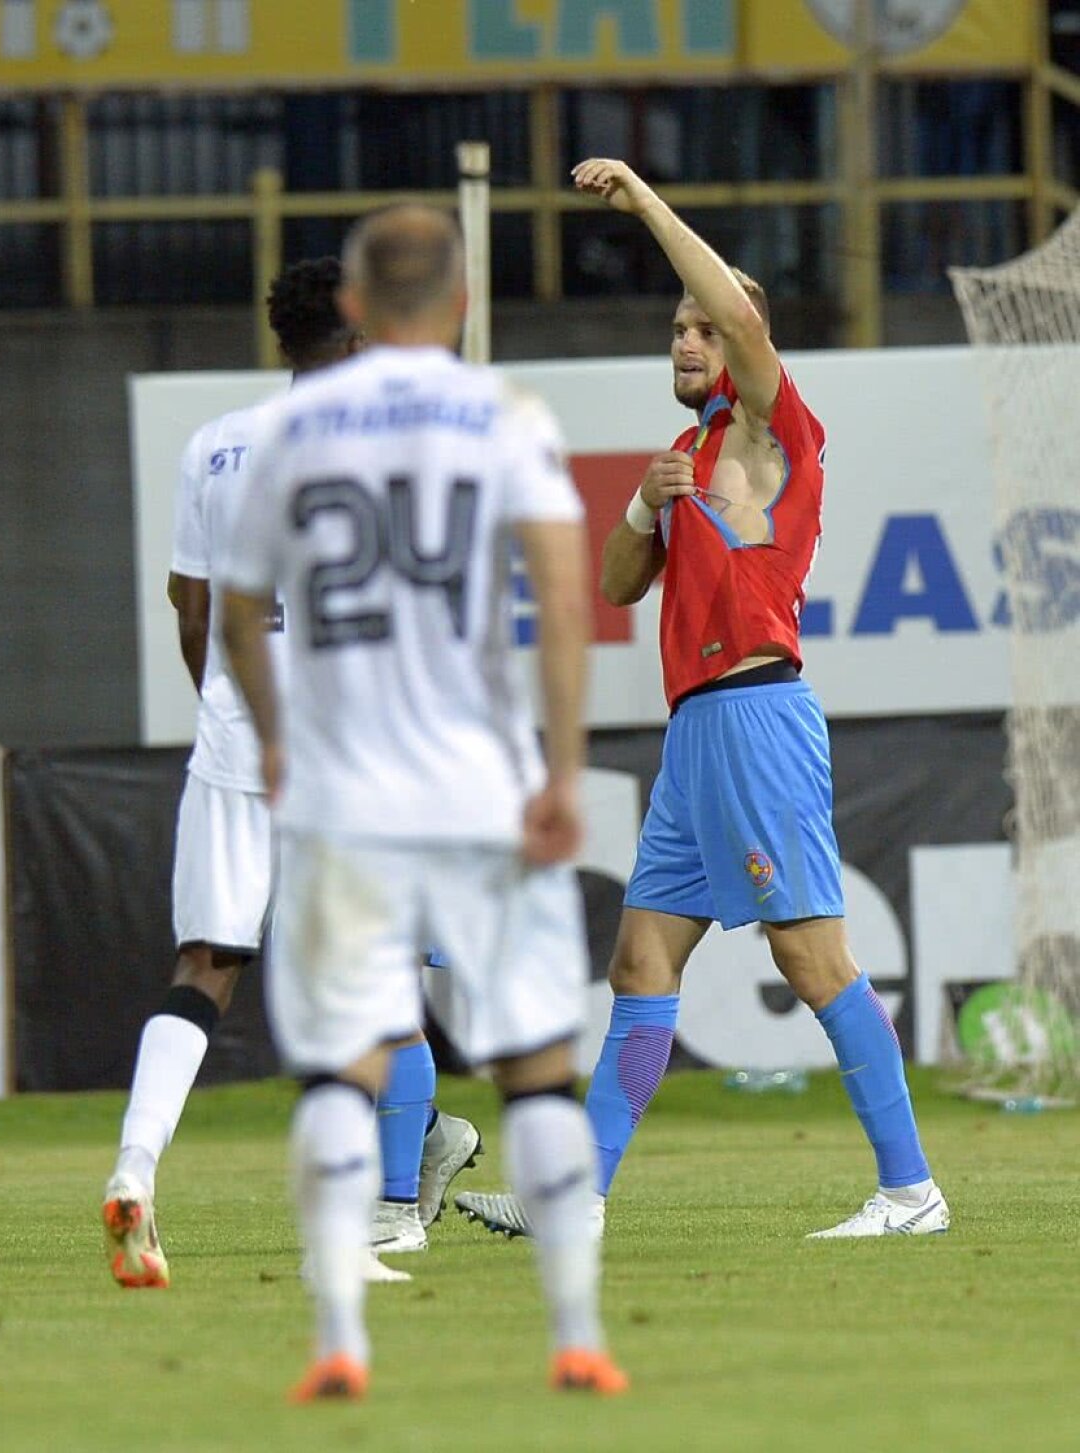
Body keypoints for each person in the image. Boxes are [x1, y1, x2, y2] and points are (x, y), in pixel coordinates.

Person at [455, 157, 949, 1243]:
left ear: (745, 344)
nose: (686, 339)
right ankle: (573, 1202)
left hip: (757, 715)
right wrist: (639, 507)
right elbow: (623, 586)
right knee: (641, 959)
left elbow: (734, 301)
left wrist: (643, 203)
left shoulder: (781, 433)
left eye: (703, 328)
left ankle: (911, 1188)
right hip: (695, 734)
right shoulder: (685, 457)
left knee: (811, 958)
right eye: (676, 328)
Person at [220, 204, 628, 1402]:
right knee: (538, 1064)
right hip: (475, 781)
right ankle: (575, 1334)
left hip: (343, 785)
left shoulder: (292, 428)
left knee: (344, 1057)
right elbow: (563, 600)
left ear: (350, 304)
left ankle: (340, 1335)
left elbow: (241, 612)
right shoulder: (504, 417)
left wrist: (282, 743)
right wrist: (560, 767)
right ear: (455, 303)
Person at [101, 257, 479, 1291]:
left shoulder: (214, 447)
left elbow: (191, 610)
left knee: (205, 969)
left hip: (234, 739)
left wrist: (227, 708)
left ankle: (135, 1167)